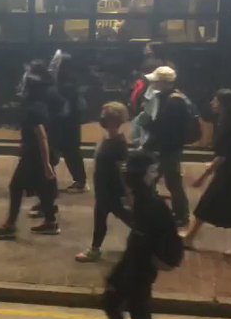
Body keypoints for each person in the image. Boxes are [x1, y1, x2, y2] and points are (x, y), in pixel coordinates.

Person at [100, 151, 182, 319]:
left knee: (139, 309)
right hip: (133, 257)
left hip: (142, 263)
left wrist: (156, 262)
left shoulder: (154, 204)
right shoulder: (141, 198)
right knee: (110, 299)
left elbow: (166, 242)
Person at [181, 89, 231, 258]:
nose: (213, 103)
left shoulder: (227, 127)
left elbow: (222, 156)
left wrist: (203, 176)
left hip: (229, 174)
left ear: (224, 105)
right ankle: (189, 237)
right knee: (209, 204)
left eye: (216, 101)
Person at [0, 61, 59, 239]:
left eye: (23, 84)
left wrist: (46, 165)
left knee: (15, 186)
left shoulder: (33, 109)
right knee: (42, 188)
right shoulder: (39, 104)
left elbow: (41, 137)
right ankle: (50, 222)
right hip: (35, 153)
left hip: (34, 156)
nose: (20, 87)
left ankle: (10, 224)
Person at [76, 102, 132, 263]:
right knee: (102, 218)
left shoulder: (119, 144)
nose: (101, 118)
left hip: (112, 190)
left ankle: (150, 241)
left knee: (128, 218)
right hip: (103, 188)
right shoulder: (106, 139)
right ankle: (95, 249)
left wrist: (128, 194)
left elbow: (122, 170)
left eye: (105, 116)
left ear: (113, 120)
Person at [142, 66, 194, 227]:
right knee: (167, 180)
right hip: (170, 147)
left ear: (164, 83)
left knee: (171, 181)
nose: (153, 84)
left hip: (169, 148)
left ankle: (181, 215)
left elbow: (164, 127)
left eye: (156, 81)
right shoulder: (174, 98)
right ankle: (177, 213)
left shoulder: (172, 102)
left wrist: (149, 127)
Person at [52, 51, 88, 192]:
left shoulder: (66, 84)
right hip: (70, 124)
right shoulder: (69, 80)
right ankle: (80, 180)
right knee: (70, 153)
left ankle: (80, 181)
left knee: (71, 153)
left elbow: (65, 107)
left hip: (68, 125)